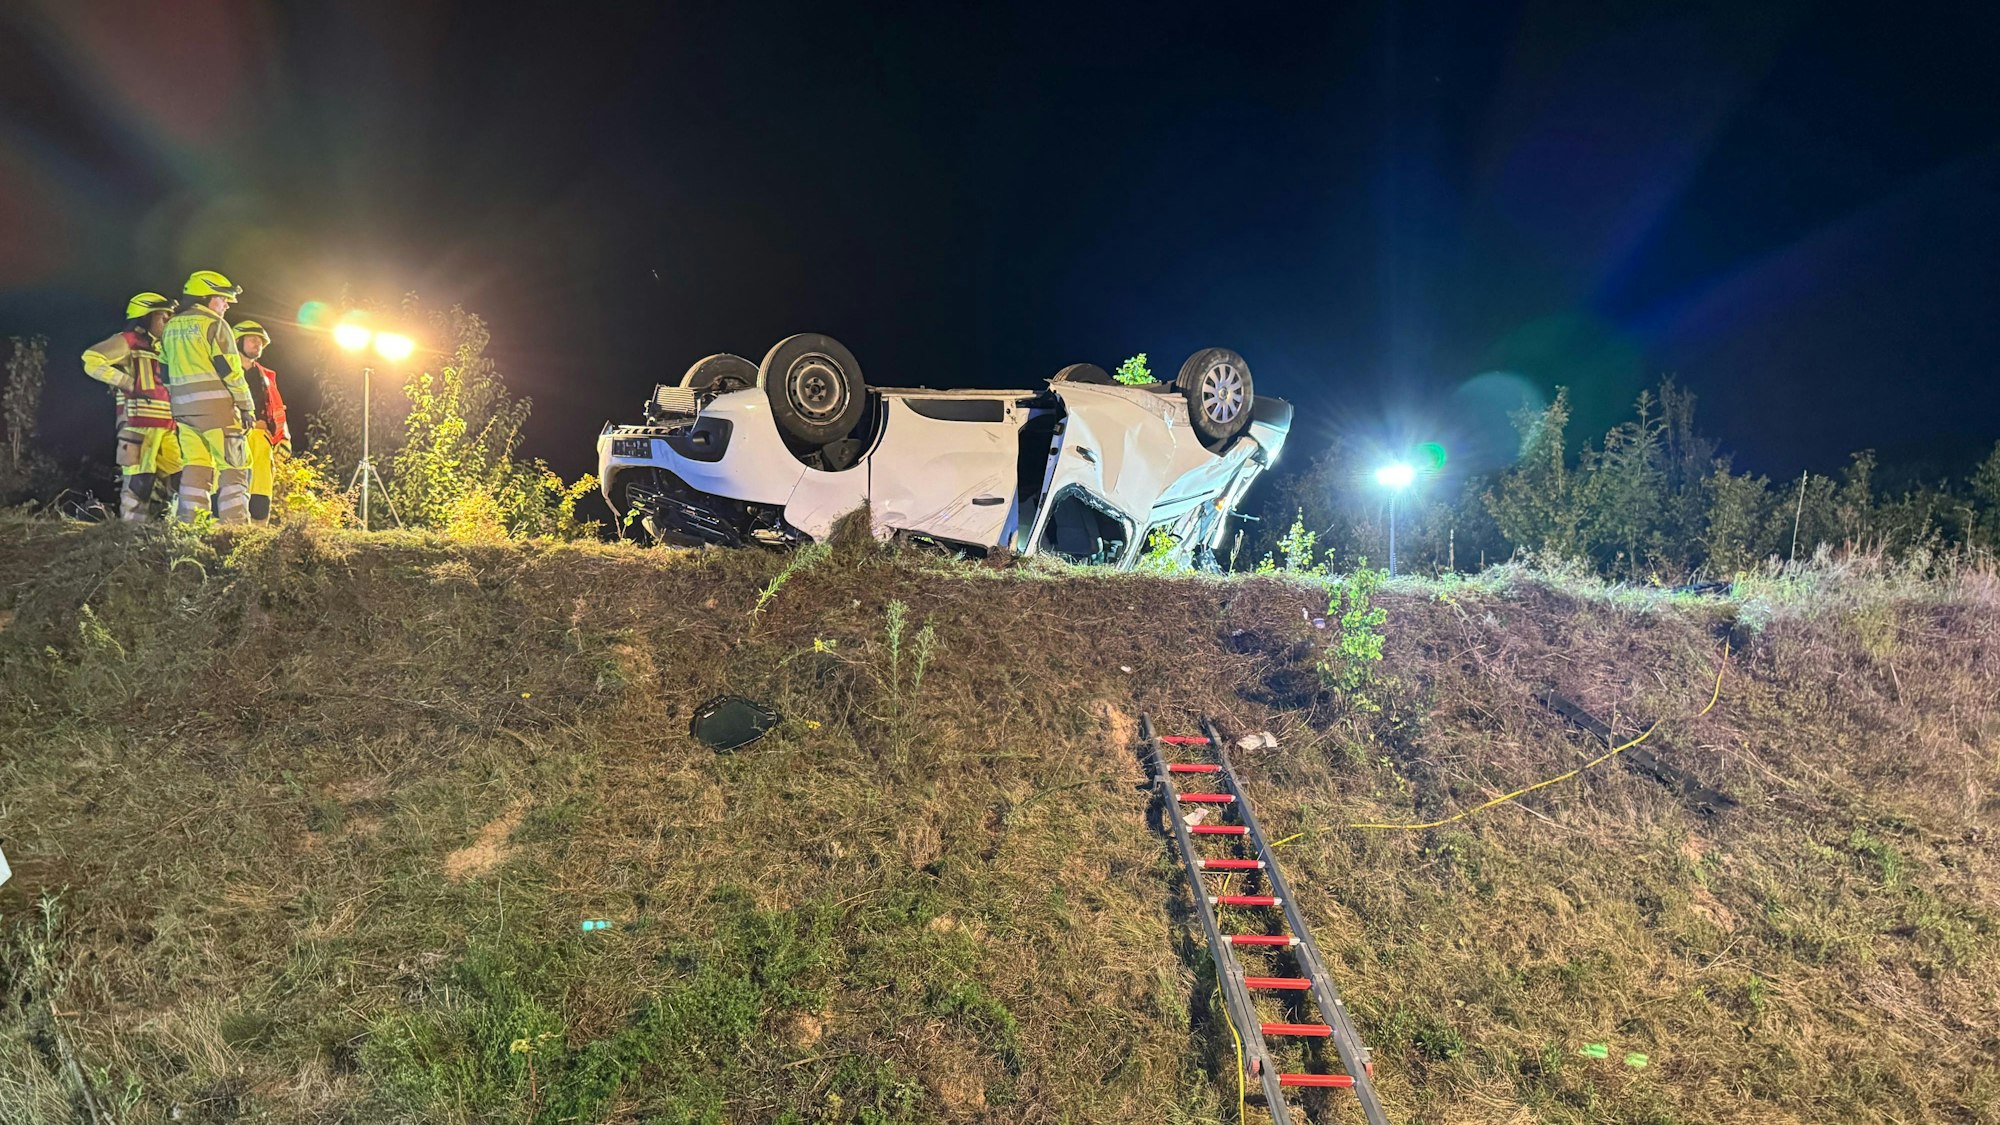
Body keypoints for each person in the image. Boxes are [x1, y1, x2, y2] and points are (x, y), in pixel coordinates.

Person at [159, 270, 255, 523]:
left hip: (183, 412)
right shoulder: (215, 325)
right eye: (223, 299)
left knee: (195, 467)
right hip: (218, 412)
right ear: (205, 297)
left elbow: (164, 372)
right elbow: (231, 372)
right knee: (235, 468)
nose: (226, 305)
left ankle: (191, 526)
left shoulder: (170, 327)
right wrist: (247, 407)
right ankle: (235, 530)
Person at [80, 293, 181, 520]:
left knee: (179, 479)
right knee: (139, 480)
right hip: (137, 424)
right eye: (162, 317)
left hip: (166, 425)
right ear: (144, 317)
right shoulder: (127, 340)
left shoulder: (162, 348)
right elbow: (91, 358)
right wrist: (126, 382)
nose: (167, 322)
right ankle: (132, 532)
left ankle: (174, 527)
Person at [232, 320, 290, 525]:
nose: (258, 345)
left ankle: (258, 536)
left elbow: (278, 408)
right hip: (230, 435)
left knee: (261, 489)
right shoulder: (223, 371)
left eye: (261, 342)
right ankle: (224, 533)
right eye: (253, 340)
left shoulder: (266, 376)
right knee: (227, 487)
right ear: (237, 341)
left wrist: (283, 437)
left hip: (261, 439)